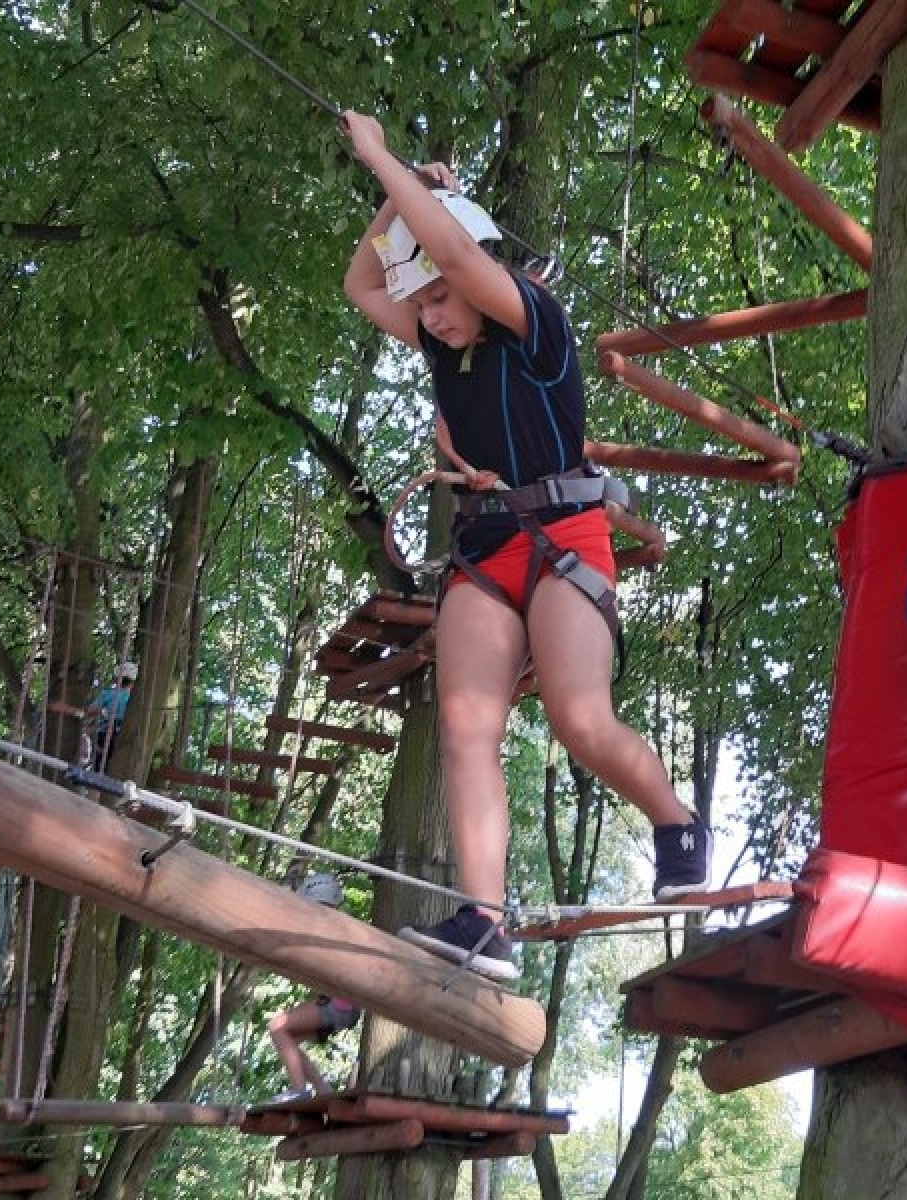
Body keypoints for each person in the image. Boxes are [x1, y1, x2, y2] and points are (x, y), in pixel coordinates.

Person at [339, 110, 710, 981]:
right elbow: (364, 286)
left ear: (479, 281)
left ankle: (675, 817)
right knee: (467, 726)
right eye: (423, 301)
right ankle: (485, 919)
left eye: (439, 297)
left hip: (566, 535)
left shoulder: (535, 325)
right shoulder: (444, 337)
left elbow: (464, 259)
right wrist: (402, 205)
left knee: (582, 721)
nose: (431, 315)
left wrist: (380, 158)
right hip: (488, 547)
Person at [266, 874, 360, 1103]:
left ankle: (299, 1090)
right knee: (290, 1037)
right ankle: (323, 1091)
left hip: (338, 1004)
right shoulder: (337, 925)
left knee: (278, 1026)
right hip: (344, 1006)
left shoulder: (327, 925)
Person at [82, 661, 136, 767]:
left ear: (117, 679)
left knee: (98, 765)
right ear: (133, 682)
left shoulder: (108, 694)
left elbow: (89, 711)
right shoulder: (135, 701)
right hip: (124, 737)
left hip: (104, 735)